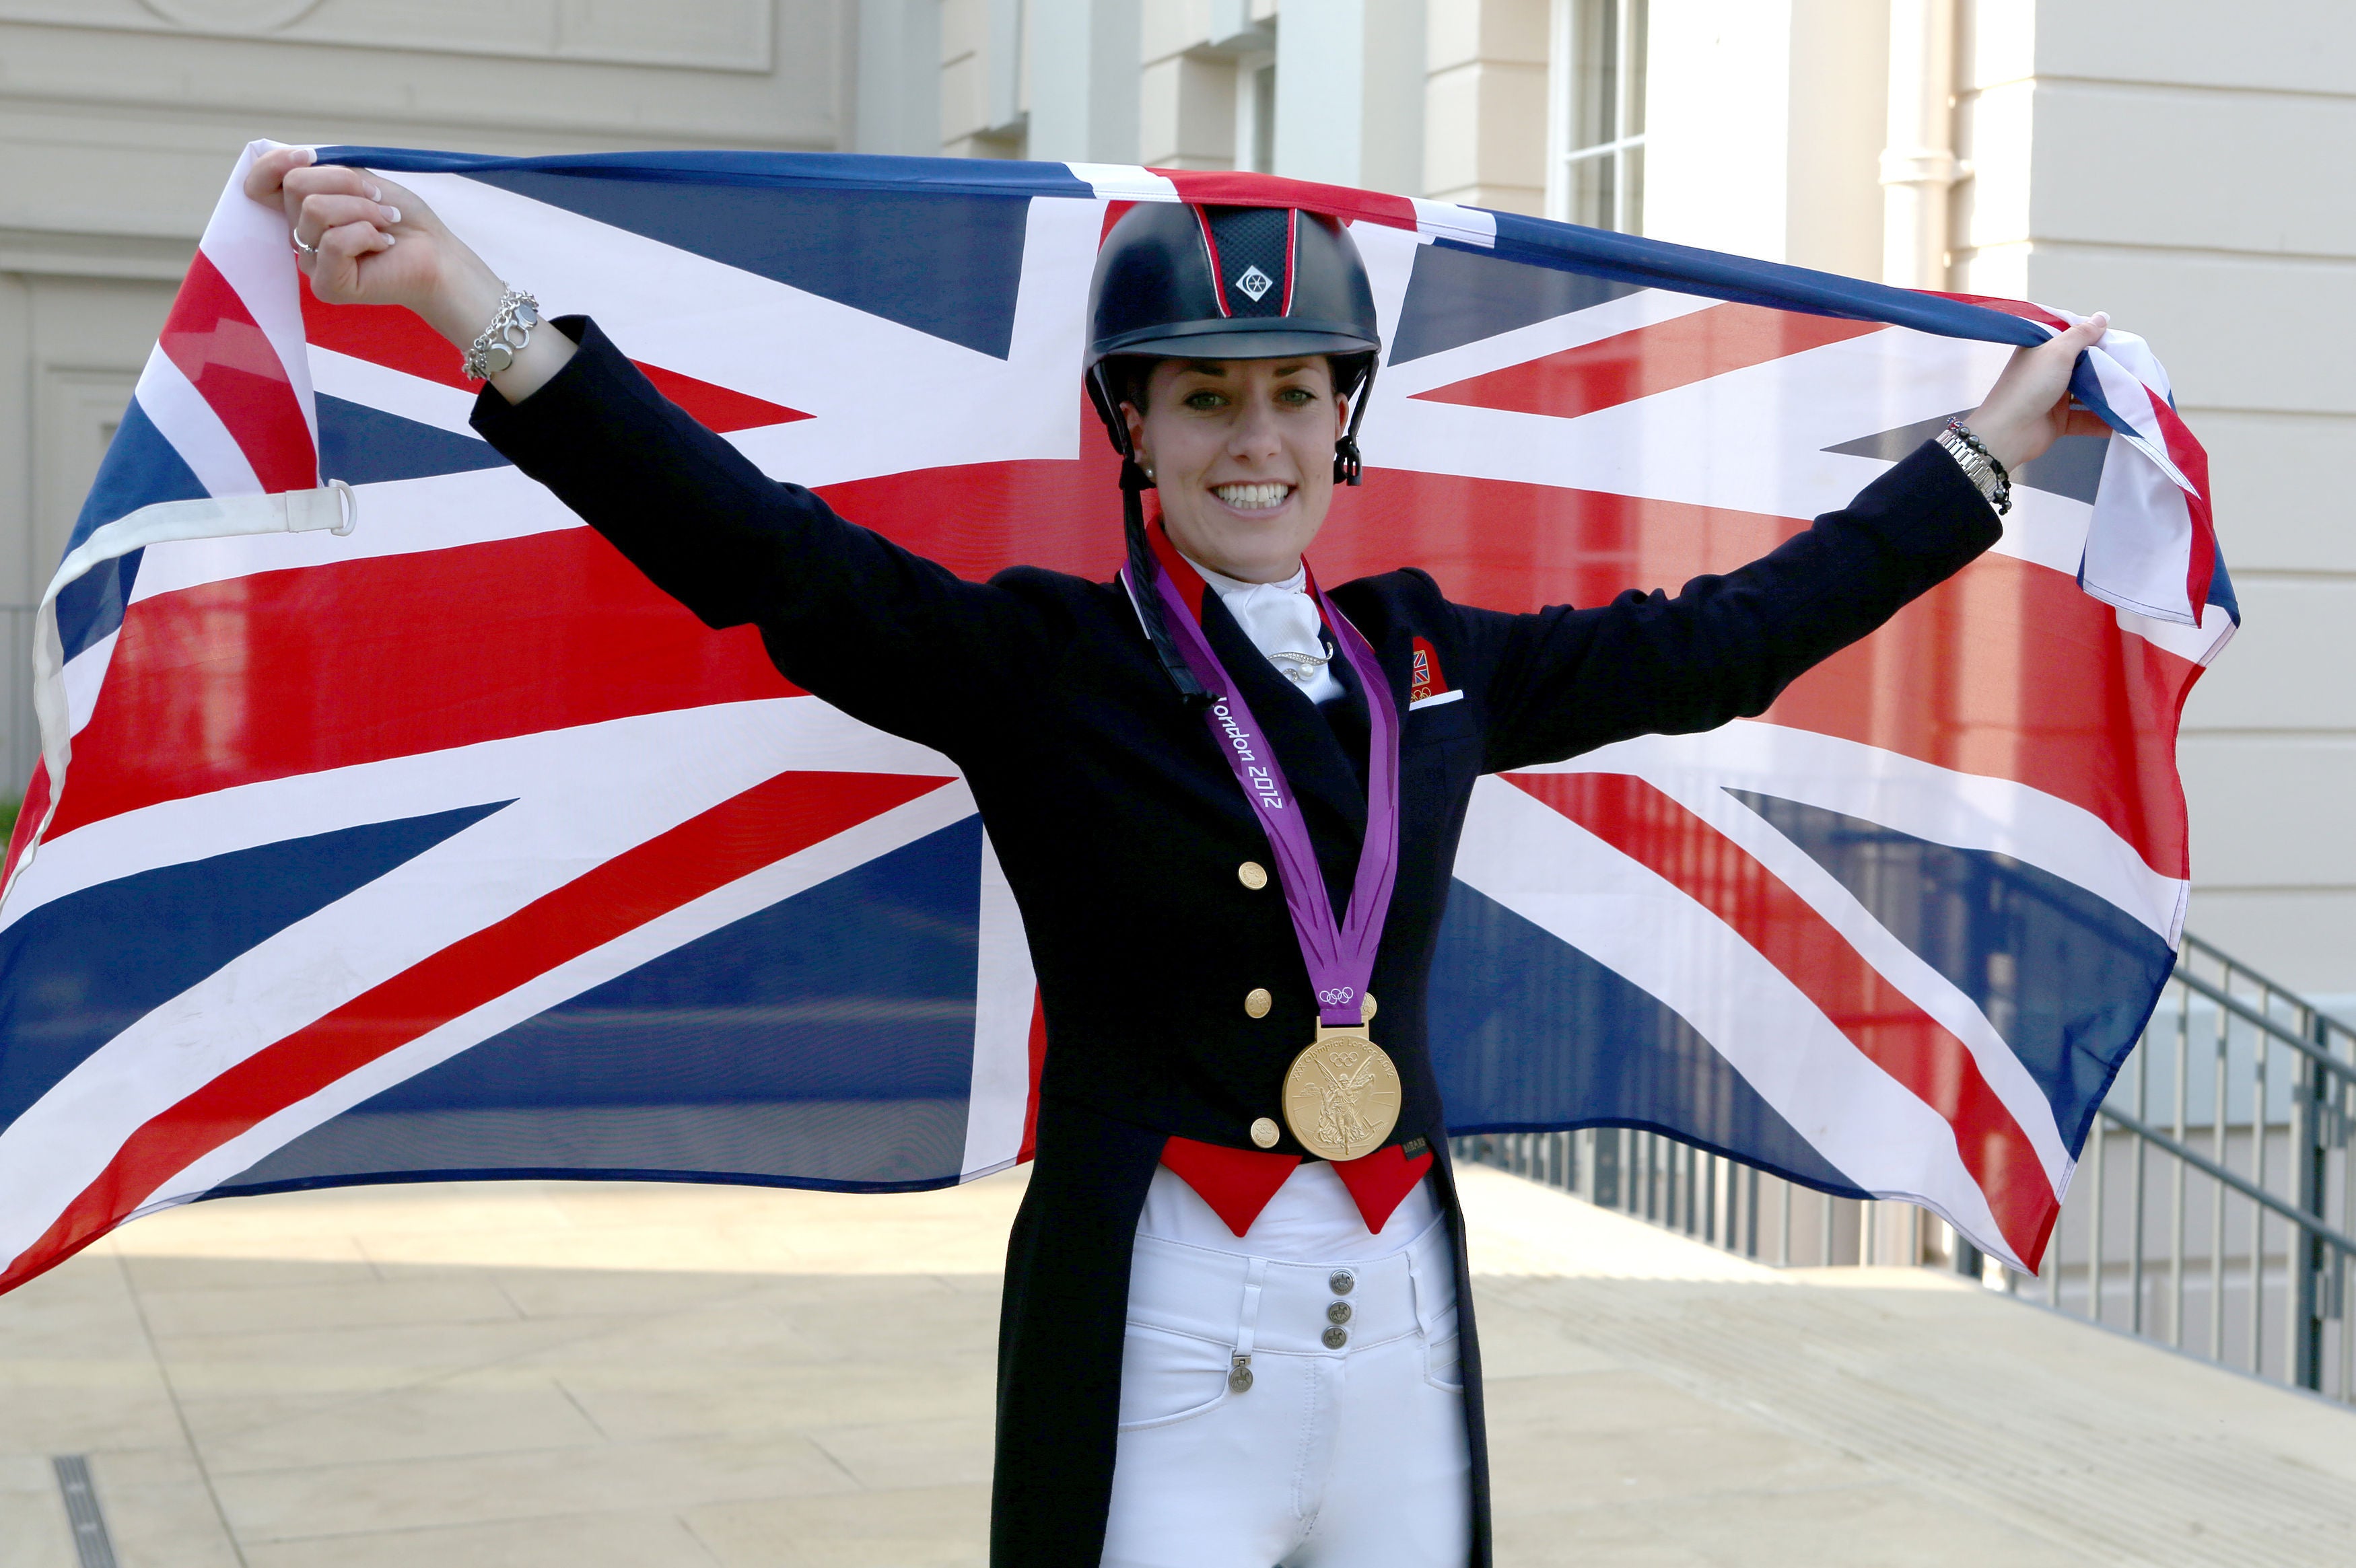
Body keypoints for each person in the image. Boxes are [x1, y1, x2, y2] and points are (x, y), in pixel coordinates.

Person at [245, 146, 2109, 1568]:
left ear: (1345, 423)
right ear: (1129, 425)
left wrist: (1975, 464)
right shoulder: (1043, 665)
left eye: (1296, 391)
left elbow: (1723, 638)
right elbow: (754, 547)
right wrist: (460, 300)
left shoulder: (1430, 658)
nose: (1256, 438)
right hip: (1162, 1340)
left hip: (1396, 1329)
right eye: (1206, 396)